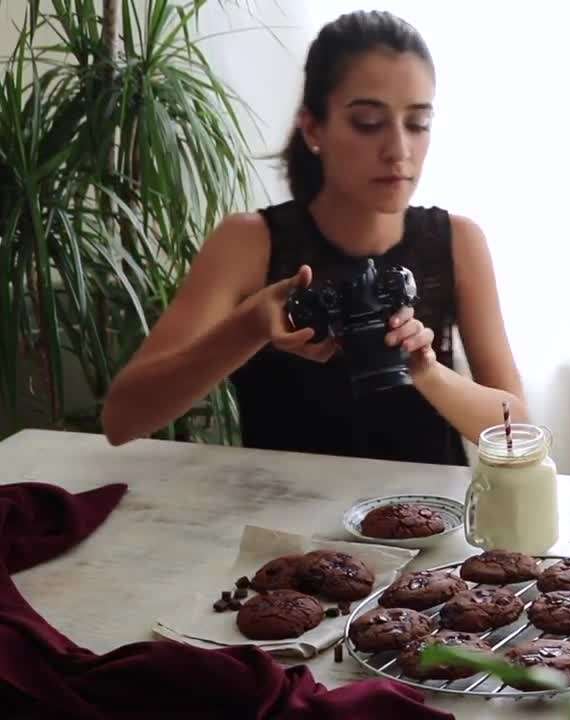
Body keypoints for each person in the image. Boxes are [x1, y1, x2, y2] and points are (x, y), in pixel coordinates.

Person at [101, 10, 527, 465]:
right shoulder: (249, 242)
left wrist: (425, 370)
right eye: (367, 122)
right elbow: (122, 420)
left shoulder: (457, 240)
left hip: (427, 524)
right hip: (283, 529)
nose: (399, 150)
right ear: (312, 128)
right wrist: (246, 328)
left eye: (417, 124)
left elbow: (518, 430)